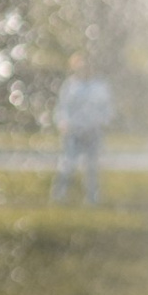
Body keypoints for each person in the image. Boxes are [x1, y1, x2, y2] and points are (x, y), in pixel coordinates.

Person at [52, 55, 113, 203]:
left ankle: (92, 198)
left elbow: (107, 108)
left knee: (92, 166)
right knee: (67, 164)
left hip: (93, 131)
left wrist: (103, 122)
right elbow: (62, 107)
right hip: (73, 131)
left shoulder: (100, 86)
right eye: (81, 67)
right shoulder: (70, 86)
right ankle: (59, 196)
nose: (84, 70)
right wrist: (62, 122)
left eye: (87, 67)